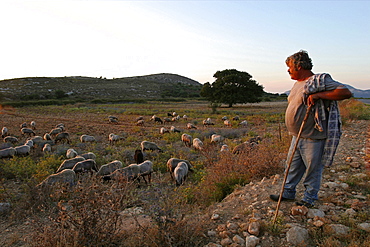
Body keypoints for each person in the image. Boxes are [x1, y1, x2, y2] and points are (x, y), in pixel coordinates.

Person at [270, 50, 352, 208]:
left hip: (314, 136)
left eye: (290, 67)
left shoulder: (320, 80)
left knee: (312, 169)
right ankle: (288, 192)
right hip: (297, 135)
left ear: (299, 66)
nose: (288, 71)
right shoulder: (297, 84)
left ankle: (309, 198)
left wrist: (319, 96)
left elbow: (345, 92)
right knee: (292, 165)